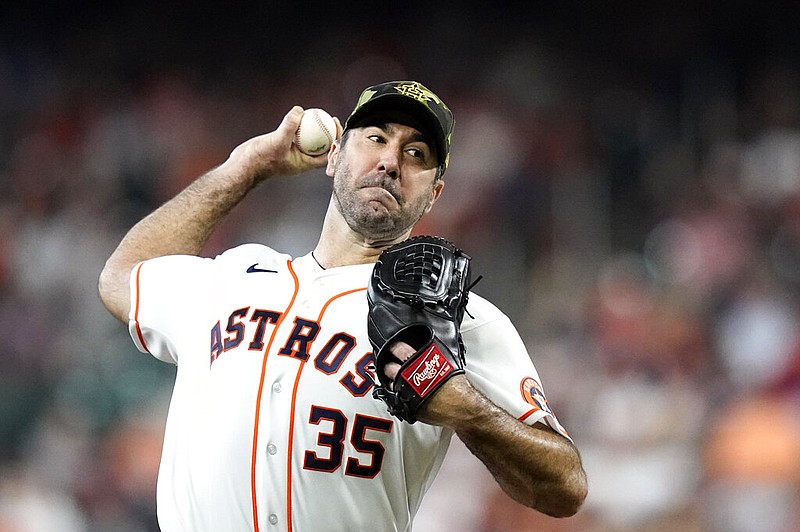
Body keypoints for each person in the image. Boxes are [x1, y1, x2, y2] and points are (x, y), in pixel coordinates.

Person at [98, 80, 588, 531]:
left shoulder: (458, 318)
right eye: (375, 137)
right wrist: (244, 169)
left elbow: (565, 488)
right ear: (333, 155)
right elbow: (121, 278)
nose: (391, 161)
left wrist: (471, 413)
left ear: (434, 193)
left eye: (416, 153)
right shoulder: (236, 275)